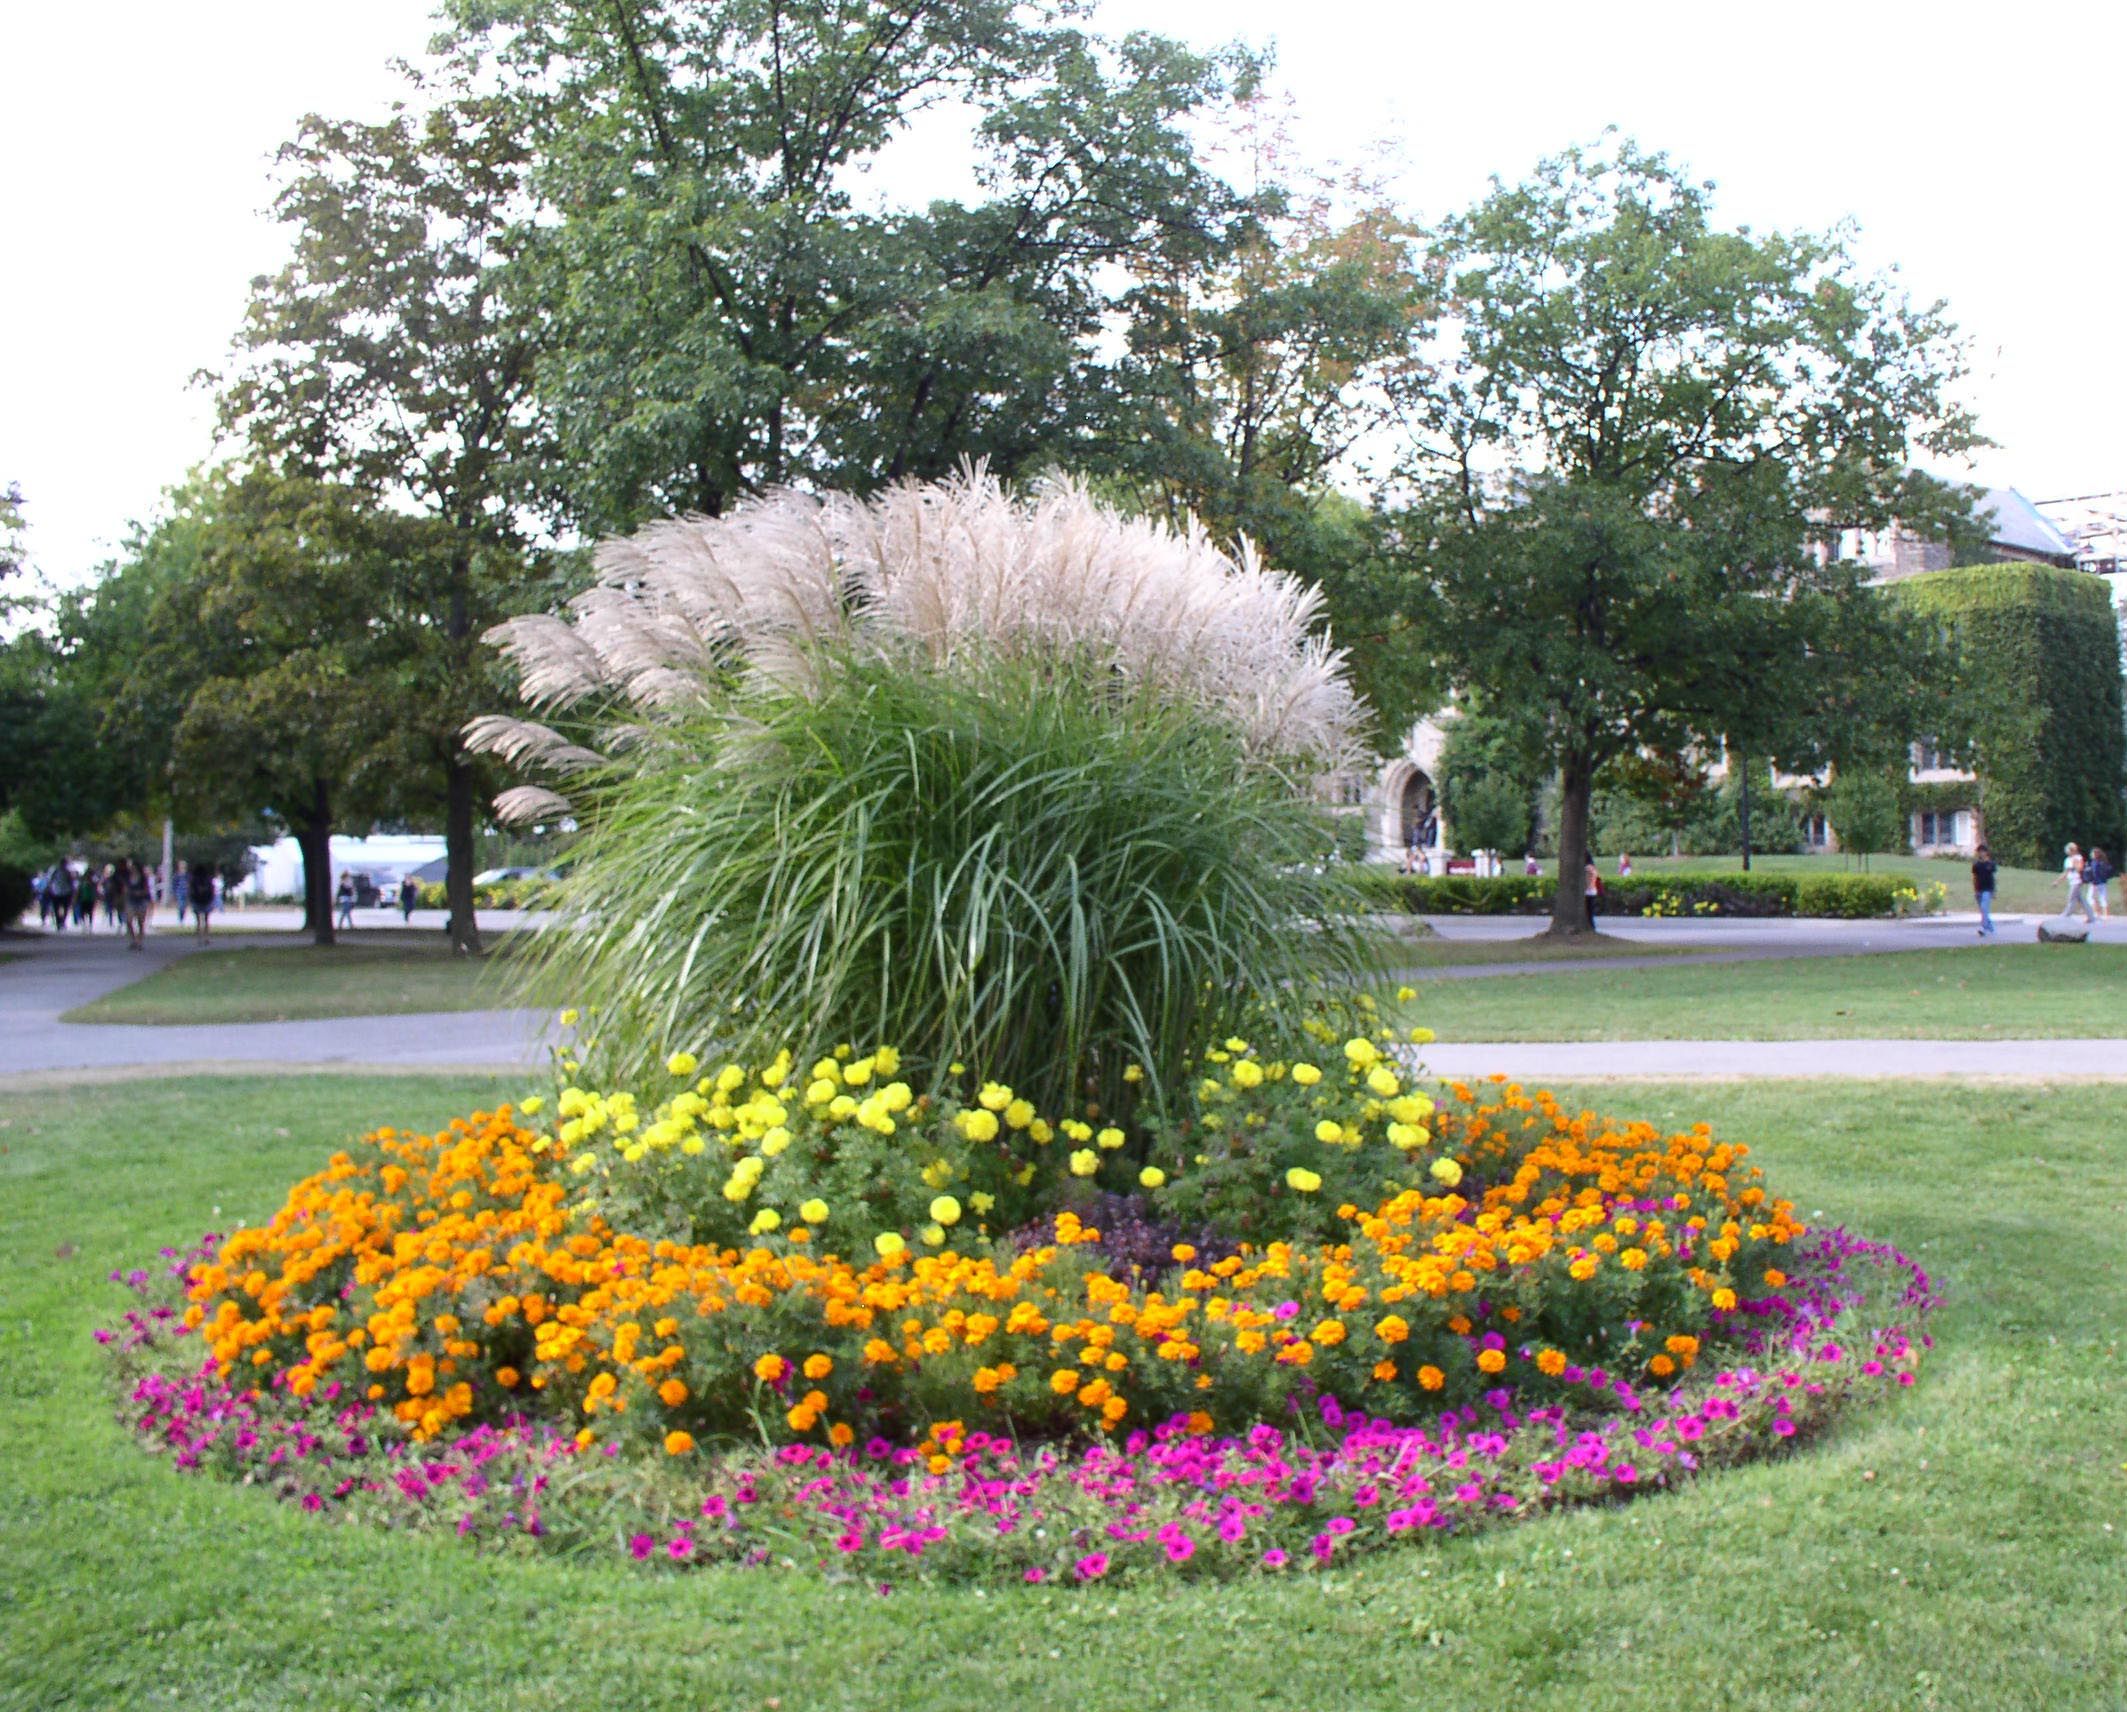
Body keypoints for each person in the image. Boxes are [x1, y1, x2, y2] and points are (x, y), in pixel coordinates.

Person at [123, 857, 153, 950]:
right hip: (131, 900)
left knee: (140, 922)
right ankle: (133, 939)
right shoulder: (128, 877)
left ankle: (139, 942)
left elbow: (146, 889)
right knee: (129, 921)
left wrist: (141, 893)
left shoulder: (143, 878)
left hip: (141, 901)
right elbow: (125, 888)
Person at [2060, 842, 2095, 923]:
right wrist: (2058, 881)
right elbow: (2066, 872)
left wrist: (2075, 862)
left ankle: (2066, 915)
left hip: (2077, 881)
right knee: (2081, 900)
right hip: (2071, 881)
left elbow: (2080, 869)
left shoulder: (2078, 858)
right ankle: (2091, 916)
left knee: (2071, 898)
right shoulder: (2067, 859)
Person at [1971, 842, 1998, 938]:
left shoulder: (1991, 864)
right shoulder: (1976, 865)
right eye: (1979, 852)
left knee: (1984, 908)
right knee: (1983, 910)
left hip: (1988, 889)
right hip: (1979, 889)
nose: (1981, 853)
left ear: (1986, 853)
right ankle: (1990, 926)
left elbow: (1994, 878)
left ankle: (1983, 928)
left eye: (1983, 851)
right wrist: (1975, 890)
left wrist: (1994, 891)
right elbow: (1974, 877)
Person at [44, 861, 73, 932]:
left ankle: (62, 921)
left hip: (66, 892)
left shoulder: (67, 872)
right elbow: (50, 880)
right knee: (56, 908)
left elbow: (70, 881)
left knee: (65, 908)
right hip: (56, 892)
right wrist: (49, 888)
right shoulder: (55, 871)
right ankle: (58, 922)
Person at [190, 862, 215, 943]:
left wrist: (192, 899)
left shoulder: (193, 879)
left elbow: (191, 891)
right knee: (206, 920)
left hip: (197, 901)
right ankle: (206, 937)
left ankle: (199, 938)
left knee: (198, 921)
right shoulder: (208, 879)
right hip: (207, 901)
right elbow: (212, 890)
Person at [2089, 847, 2114, 919]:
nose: (2091, 854)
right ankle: (2106, 915)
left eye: (2092, 853)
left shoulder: (2094, 862)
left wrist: (2094, 883)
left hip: (2095, 883)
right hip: (2103, 882)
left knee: (2090, 897)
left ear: (2096, 854)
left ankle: (2096, 913)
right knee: (2103, 898)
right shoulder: (2103, 862)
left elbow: (2095, 873)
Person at [1583, 855, 1601, 932]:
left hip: (1588, 892)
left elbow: (1589, 880)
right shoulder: (1593, 868)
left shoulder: (1587, 868)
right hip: (1592, 891)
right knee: (1590, 911)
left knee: (1588, 911)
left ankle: (1591, 927)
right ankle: (1591, 926)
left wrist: (1588, 886)